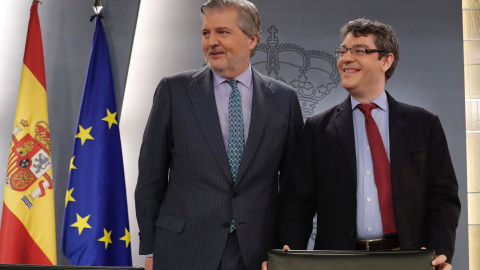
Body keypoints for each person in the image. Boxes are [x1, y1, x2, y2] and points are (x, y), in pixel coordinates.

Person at [276, 18, 461, 270]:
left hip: (408, 261)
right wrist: (289, 255)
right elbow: (297, 204)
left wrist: (440, 251)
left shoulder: (424, 124)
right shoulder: (317, 129)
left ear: (386, 60)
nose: (345, 59)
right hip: (338, 262)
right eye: (343, 51)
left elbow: (443, 198)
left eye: (359, 51)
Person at [135, 0, 303, 269]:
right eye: (206, 33)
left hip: (256, 252)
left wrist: (287, 252)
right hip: (182, 249)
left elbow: (295, 188)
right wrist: (151, 249)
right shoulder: (173, 90)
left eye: (222, 32)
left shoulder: (284, 99)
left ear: (251, 39)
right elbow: (150, 177)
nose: (211, 41)